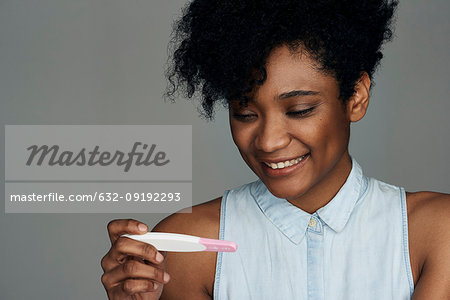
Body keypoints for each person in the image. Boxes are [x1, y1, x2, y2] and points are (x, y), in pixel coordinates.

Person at [100, 0, 450, 299]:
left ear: (356, 96)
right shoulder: (190, 248)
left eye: (299, 110)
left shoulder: (435, 232)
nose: (268, 141)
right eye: (245, 113)